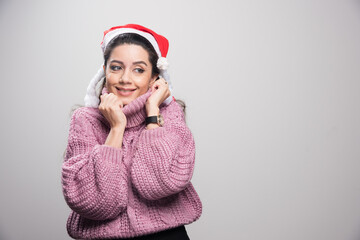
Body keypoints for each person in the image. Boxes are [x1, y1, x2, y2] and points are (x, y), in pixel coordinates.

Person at [61, 24, 202, 240]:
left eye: (139, 69)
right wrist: (116, 128)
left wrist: (152, 114)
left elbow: (159, 185)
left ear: (155, 77)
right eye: (116, 67)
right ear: (104, 71)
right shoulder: (85, 120)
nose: (125, 78)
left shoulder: (170, 115)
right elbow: (96, 202)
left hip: (166, 235)